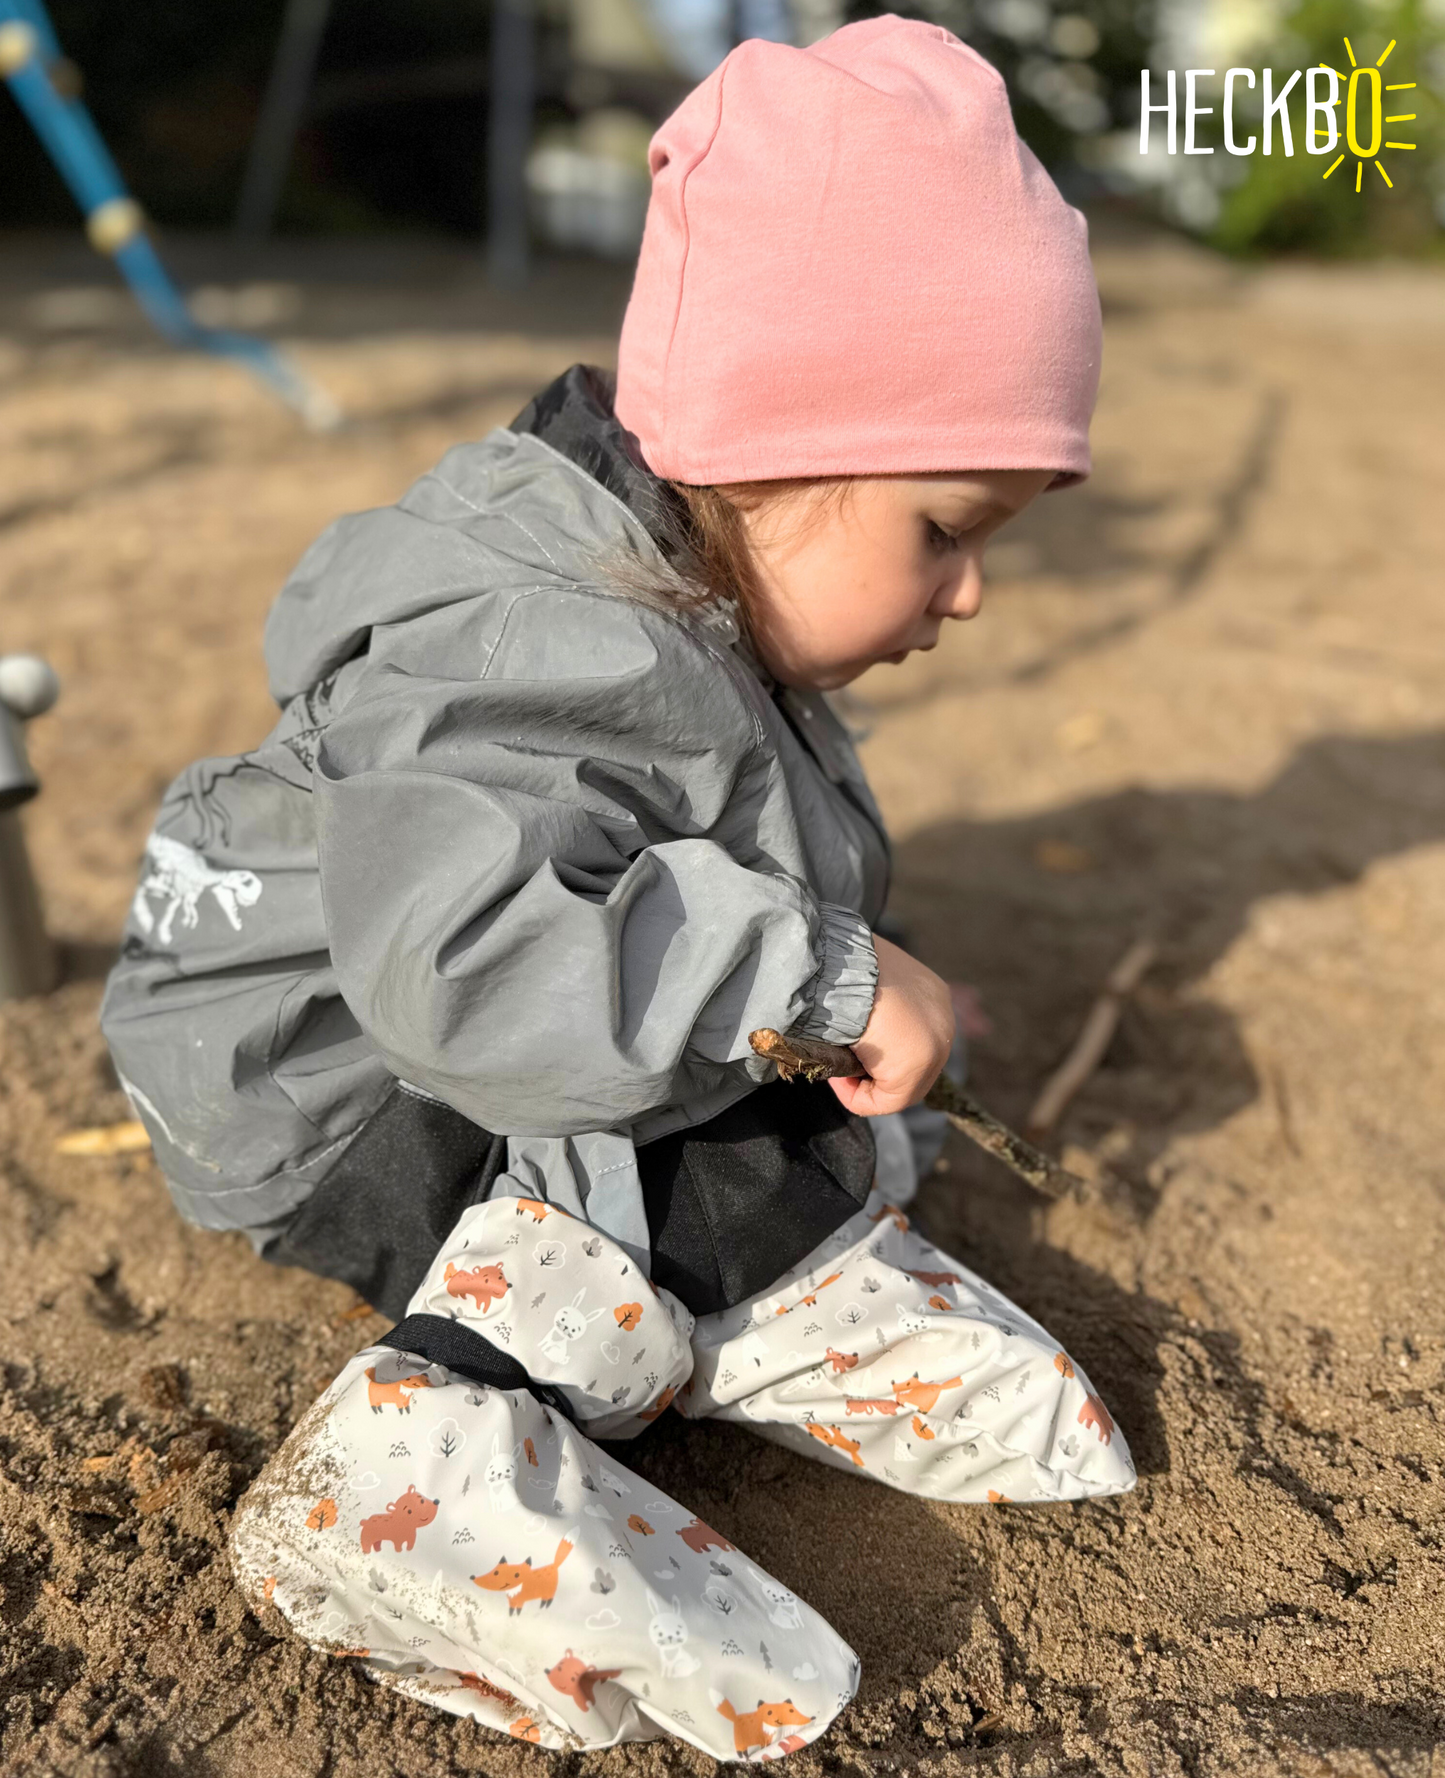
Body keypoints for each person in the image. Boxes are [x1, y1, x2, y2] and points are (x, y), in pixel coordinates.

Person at [100, 16, 1135, 1762]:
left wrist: (828, 980)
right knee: (644, 1121)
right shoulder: (556, 644)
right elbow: (477, 968)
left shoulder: (690, 587)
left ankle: (751, 1282)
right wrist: (815, 980)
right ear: (781, 444)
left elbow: (702, 863)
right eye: (946, 527)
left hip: (414, 1020)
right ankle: (416, 1465)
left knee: (733, 1090)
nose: (968, 598)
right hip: (317, 1068)